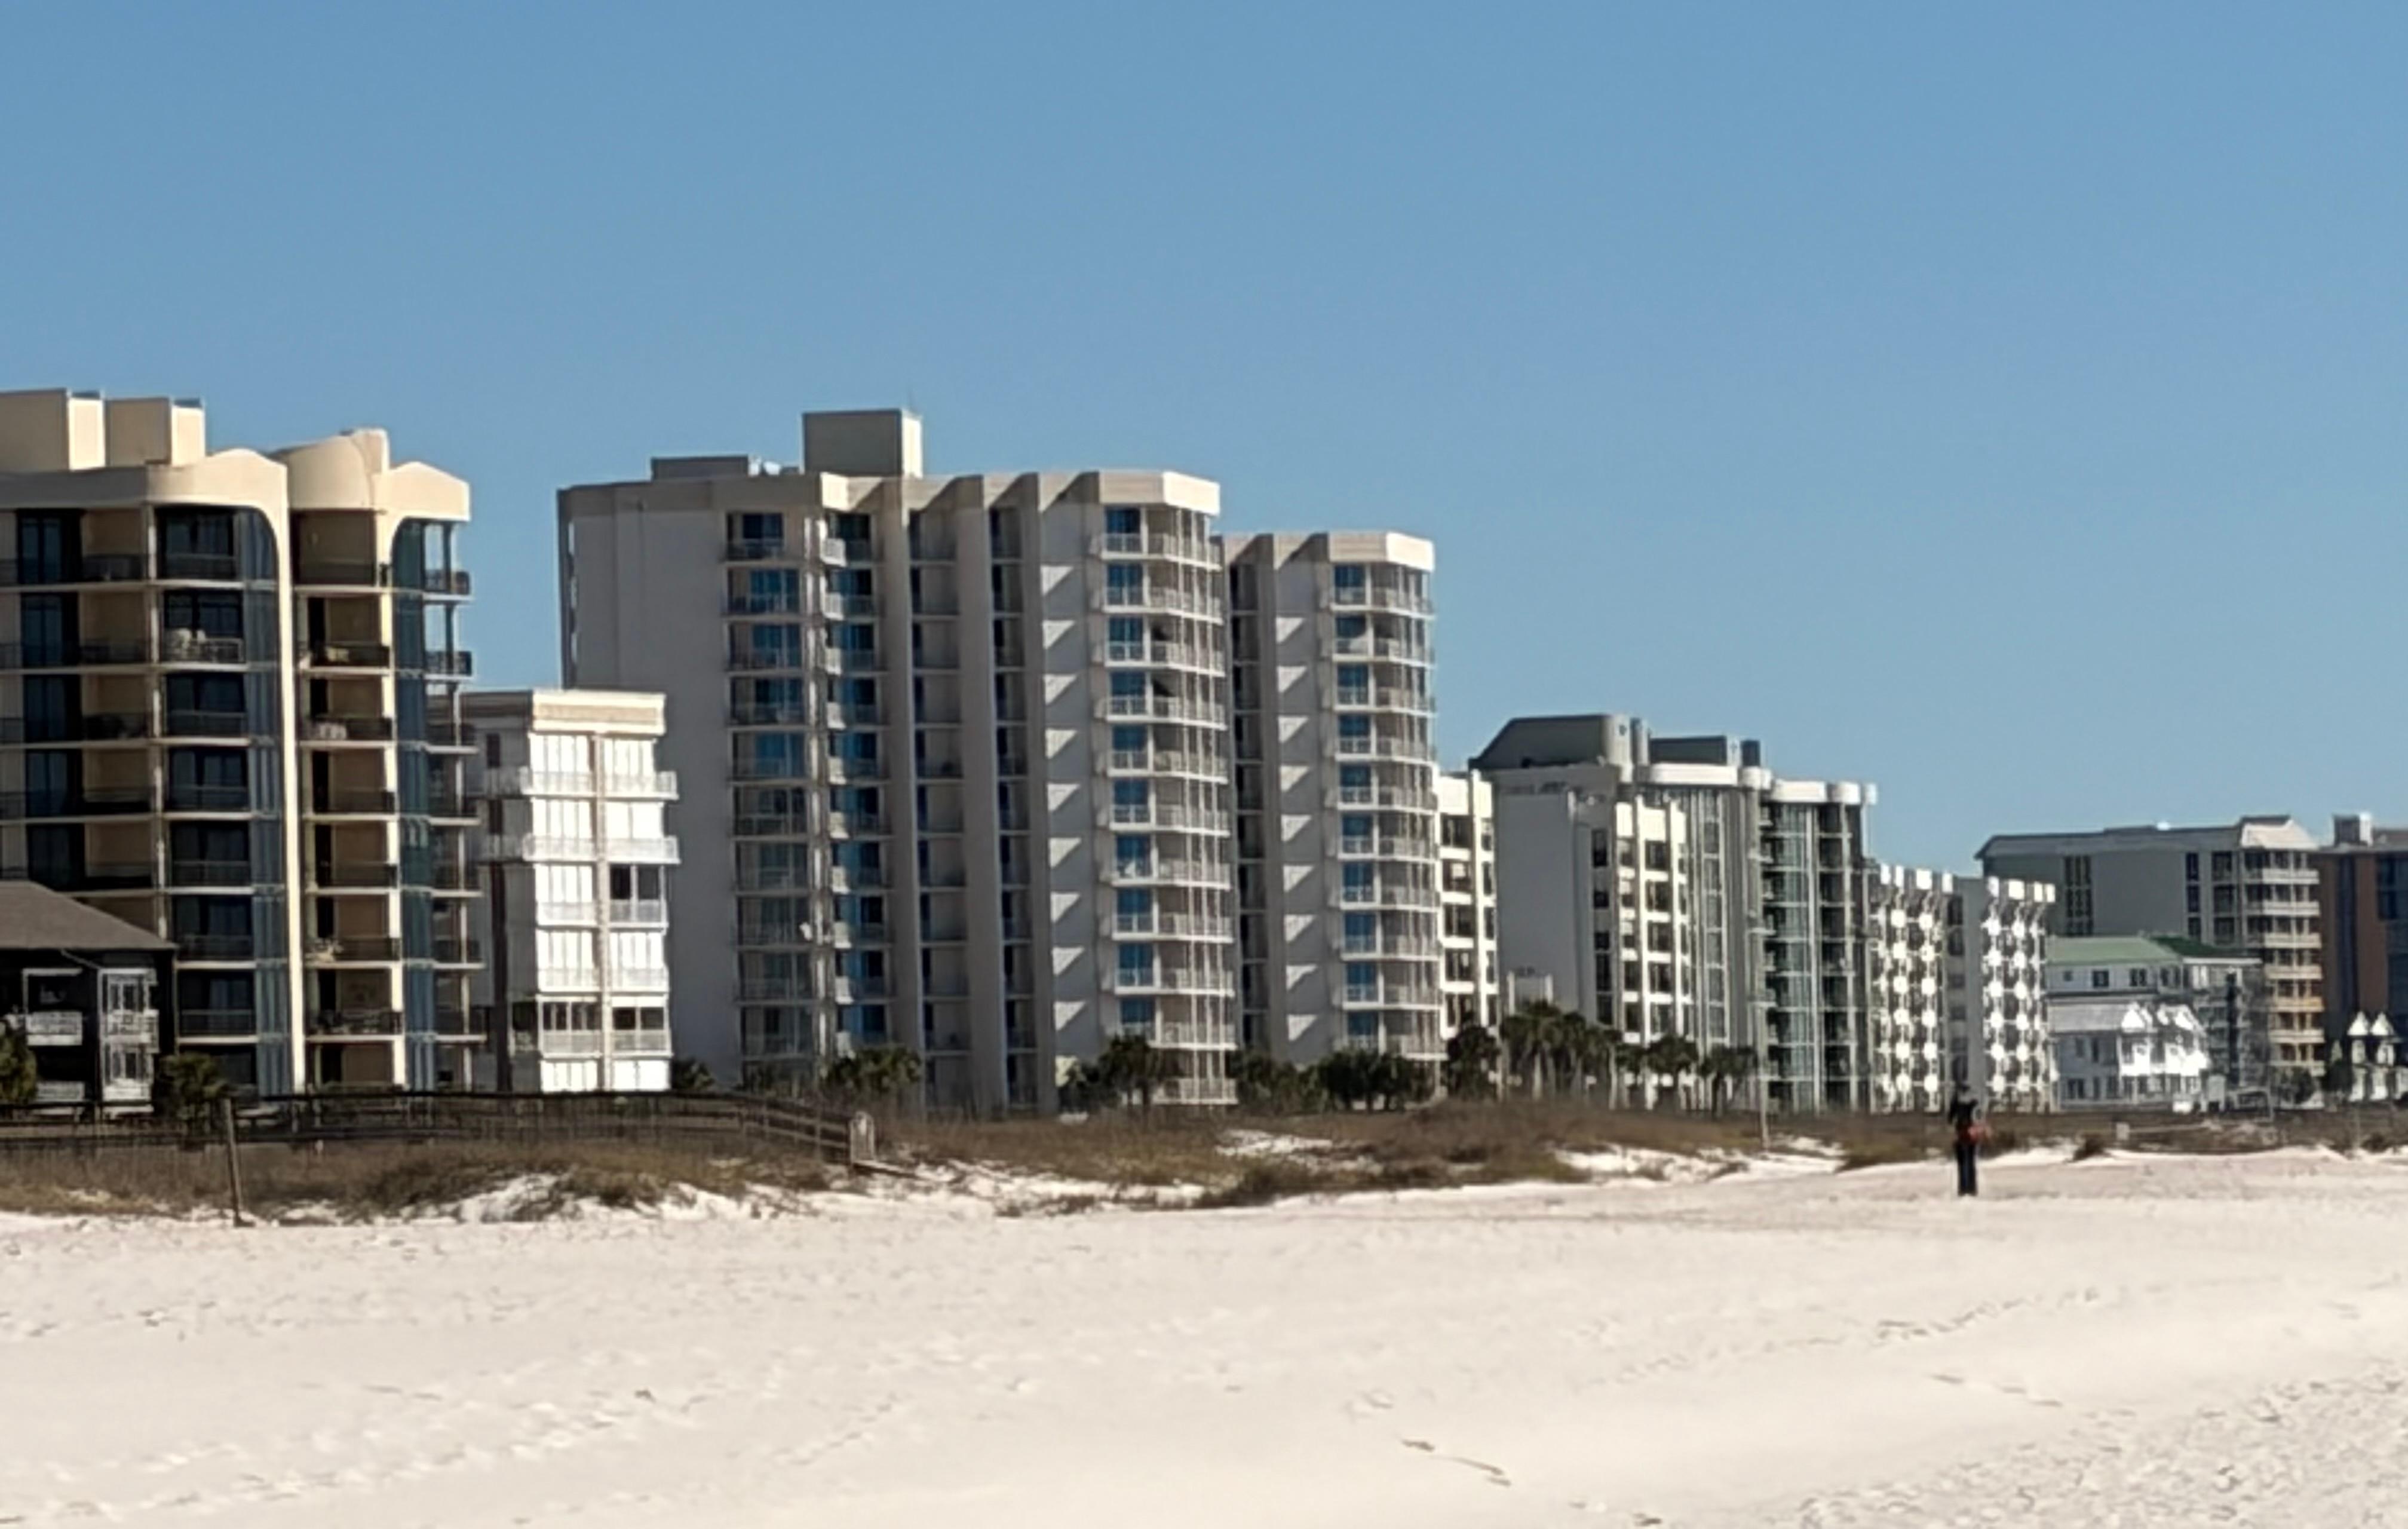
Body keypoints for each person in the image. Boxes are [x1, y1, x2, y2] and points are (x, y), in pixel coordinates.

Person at [1946, 1084, 1981, 1197]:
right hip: (1968, 1136)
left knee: (1964, 1164)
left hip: (1963, 1136)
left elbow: (1950, 1119)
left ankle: (1964, 1189)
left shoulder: (1959, 1106)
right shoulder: (1971, 1105)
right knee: (1969, 1163)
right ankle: (1971, 1189)